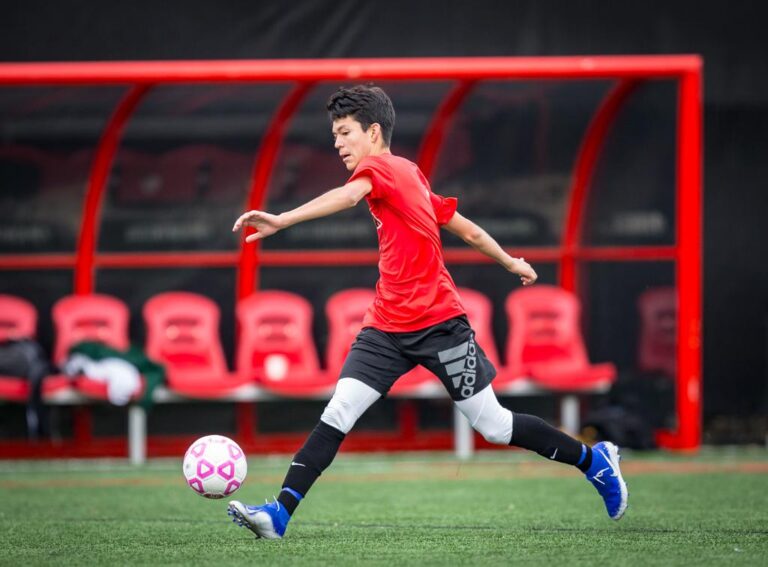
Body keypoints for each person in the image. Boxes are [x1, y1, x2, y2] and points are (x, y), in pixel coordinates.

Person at [228, 85, 628, 539]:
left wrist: (282, 219)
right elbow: (468, 231)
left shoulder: (380, 167)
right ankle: (278, 515)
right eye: (334, 135)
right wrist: (510, 260)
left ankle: (595, 462)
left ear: (373, 132)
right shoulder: (411, 175)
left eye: (344, 133)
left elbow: (348, 197)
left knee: (494, 427)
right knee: (338, 412)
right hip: (385, 328)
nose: (337, 143)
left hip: (441, 327)